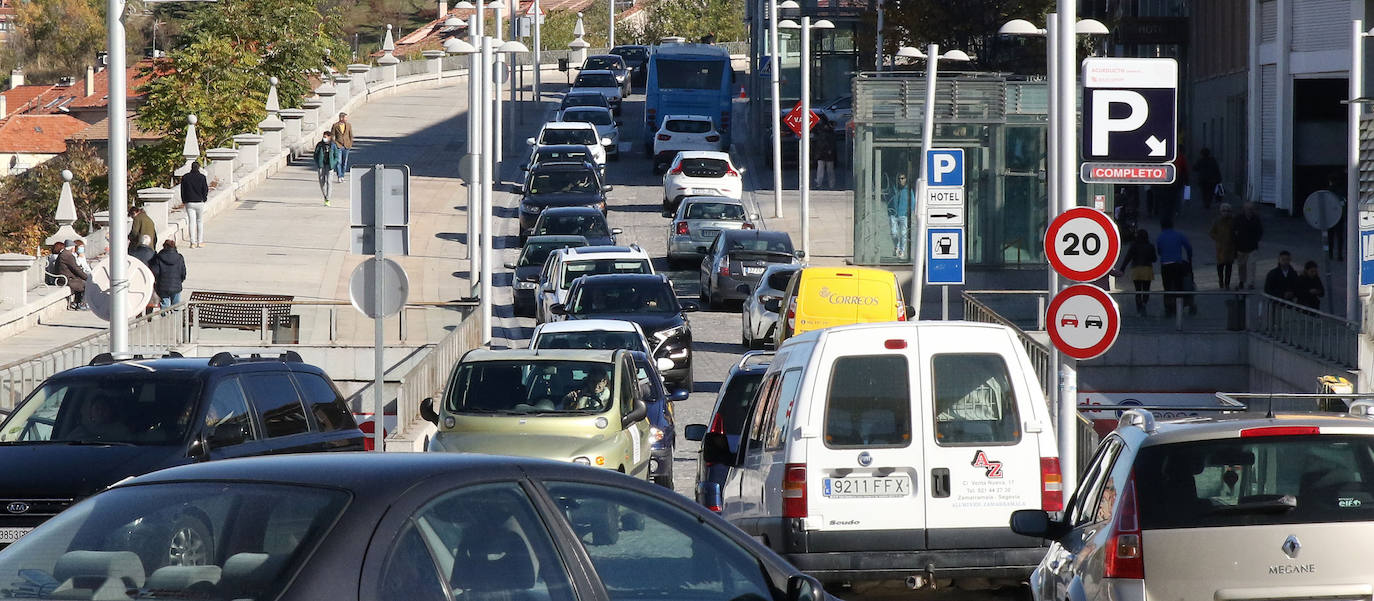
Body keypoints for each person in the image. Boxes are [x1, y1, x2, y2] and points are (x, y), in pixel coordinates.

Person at [1155, 217, 1195, 316]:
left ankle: (1168, 308)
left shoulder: (1160, 237)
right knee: (1179, 286)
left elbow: (1159, 251)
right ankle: (1179, 306)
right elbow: (1188, 247)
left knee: (1167, 287)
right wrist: (1189, 258)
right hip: (1178, 264)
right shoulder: (1179, 235)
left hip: (1165, 265)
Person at [1119, 229, 1157, 316]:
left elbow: (1128, 258)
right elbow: (1154, 259)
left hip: (1136, 269)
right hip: (1147, 270)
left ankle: (1139, 309)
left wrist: (1122, 268)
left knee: (1138, 290)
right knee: (1146, 290)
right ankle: (1144, 304)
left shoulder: (1134, 246)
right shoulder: (1150, 246)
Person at [65, 393, 132, 442]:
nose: (100, 412)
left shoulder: (121, 431)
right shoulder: (79, 432)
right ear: (91, 412)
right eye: (97, 408)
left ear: (111, 411)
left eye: (104, 409)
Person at [1232, 201, 1263, 289]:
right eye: (1248, 209)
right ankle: (1242, 280)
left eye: (1251, 209)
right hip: (1241, 247)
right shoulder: (1238, 218)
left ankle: (1251, 283)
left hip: (1252, 247)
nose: (1250, 210)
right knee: (1242, 266)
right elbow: (1234, 230)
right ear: (1244, 209)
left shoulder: (1256, 219)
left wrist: (1257, 239)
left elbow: (1260, 230)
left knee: (1251, 265)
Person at [884, 172, 914, 259]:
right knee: (893, 233)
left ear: (905, 179)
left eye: (902, 178)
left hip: (904, 215)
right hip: (893, 214)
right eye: (899, 178)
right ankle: (896, 246)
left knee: (903, 234)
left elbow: (912, 201)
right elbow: (888, 200)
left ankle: (902, 250)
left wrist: (909, 212)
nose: (901, 180)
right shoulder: (893, 189)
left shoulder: (908, 190)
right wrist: (889, 211)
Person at [150, 239, 187, 308]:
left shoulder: (159, 257)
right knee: (176, 306)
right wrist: (179, 281)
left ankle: (165, 318)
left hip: (163, 286)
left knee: (165, 305)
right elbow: (183, 272)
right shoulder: (179, 258)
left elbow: (155, 272)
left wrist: (157, 282)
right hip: (176, 286)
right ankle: (175, 318)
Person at [52, 241, 88, 310]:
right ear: (72, 248)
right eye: (74, 248)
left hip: (63, 278)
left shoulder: (63, 254)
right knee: (85, 284)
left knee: (80, 282)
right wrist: (87, 278)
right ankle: (81, 304)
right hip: (65, 280)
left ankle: (76, 303)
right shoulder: (68, 255)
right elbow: (76, 269)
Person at [180, 161, 209, 248]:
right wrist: (204, 198)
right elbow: (205, 189)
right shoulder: (202, 177)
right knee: (200, 221)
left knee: (191, 222)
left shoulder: (185, 177)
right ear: (199, 167)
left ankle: (192, 242)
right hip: (199, 202)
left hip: (189, 202)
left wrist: (184, 200)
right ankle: (200, 241)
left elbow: (182, 190)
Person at [1208, 203, 1236, 290]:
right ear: (1221, 212)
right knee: (1220, 266)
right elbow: (1211, 232)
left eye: (1227, 211)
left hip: (1230, 247)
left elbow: (1236, 232)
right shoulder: (1217, 221)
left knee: (1229, 267)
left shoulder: (1233, 221)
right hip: (1220, 248)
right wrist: (1218, 238)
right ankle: (1221, 281)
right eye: (1224, 211)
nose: (1226, 213)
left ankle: (1227, 283)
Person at [312, 132, 339, 205]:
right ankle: (325, 196)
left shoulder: (333, 145)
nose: (324, 138)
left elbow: (336, 156)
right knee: (321, 181)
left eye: (326, 137)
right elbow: (315, 155)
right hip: (321, 165)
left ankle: (328, 198)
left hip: (330, 165)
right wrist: (318, 163)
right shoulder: (320, 145)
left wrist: (333, 163)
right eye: (323, 136)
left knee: (329, 182)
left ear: (329, 137)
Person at [813, 119, 837, 189]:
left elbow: (819, 143)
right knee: (830, 170)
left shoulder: (820, 132)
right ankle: (831, 184)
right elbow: (832, 144)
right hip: (829, 154)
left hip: (821, 153)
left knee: (820, 169)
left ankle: (819, 183)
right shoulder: (831, 133)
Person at [330, 112, 354, 182]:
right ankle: (339, 176)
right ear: (341, 118)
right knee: (338, 162)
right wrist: (335, 144)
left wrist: (350, 144)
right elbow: (332, 135)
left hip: (346, 146)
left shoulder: (348, 125)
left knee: (344, 162)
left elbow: (351, 135)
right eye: (345, 117)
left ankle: (342, 175)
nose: (346, 119)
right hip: (338, 146)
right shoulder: (335, 125)